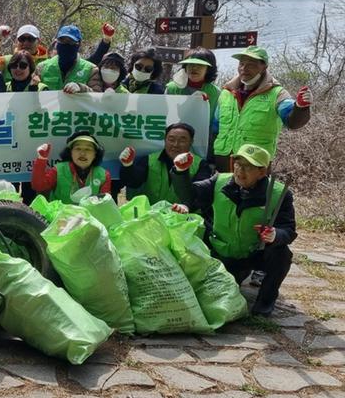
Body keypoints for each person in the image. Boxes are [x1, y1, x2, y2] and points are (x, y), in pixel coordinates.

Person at [172, 143, 296, 316]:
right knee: (222, 292)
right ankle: (233, 277)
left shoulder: (279, 193)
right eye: (238, 164)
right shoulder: (218, 181)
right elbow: (190, 195)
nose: (240, 171)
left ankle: (265, 303)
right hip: (222, 252)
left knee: (282, 254)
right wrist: (180, 172)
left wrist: (275, 235)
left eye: (248, 167)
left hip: (255, 253)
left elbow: (288, 230)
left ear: (262, 172)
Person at [212, 46, 312, 171]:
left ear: (264, 67)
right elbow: (215, 129)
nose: (244, 68)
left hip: (254, 165)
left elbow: (292, 121)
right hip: (223, 162)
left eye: (251, 65)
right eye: (241, 64)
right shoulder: (226, 92)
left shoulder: (277, 94)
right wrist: (210, 161)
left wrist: (301, 107)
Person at [119, 122, 210, 205]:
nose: (175, 144)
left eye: (182, 140)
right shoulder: (149, 160)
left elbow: (200, 194)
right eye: (171, 139)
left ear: (191, 142)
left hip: (183, 218)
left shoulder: (201, 165)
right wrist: (127, 165)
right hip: (151, 216)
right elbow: (133, 182)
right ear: (165, 140)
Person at [31, 130, 112, 203]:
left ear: (95, 154)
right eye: (78, 149)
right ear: (71, 152)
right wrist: (41, 160)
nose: (82, 153)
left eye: (88, 149)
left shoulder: (103, 175)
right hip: (60, 216)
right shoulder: (58, 170)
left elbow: (104, 203)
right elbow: (39, 186)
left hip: (89, 217)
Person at [36, 25, 97, 92]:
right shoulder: (41, 68)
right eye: (62, 41)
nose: (66, 45)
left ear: (79, 44)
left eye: (70, 42)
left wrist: (81, 88)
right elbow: (30, 92)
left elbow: (98, 97)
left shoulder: (91, 70)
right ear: (57, 42)